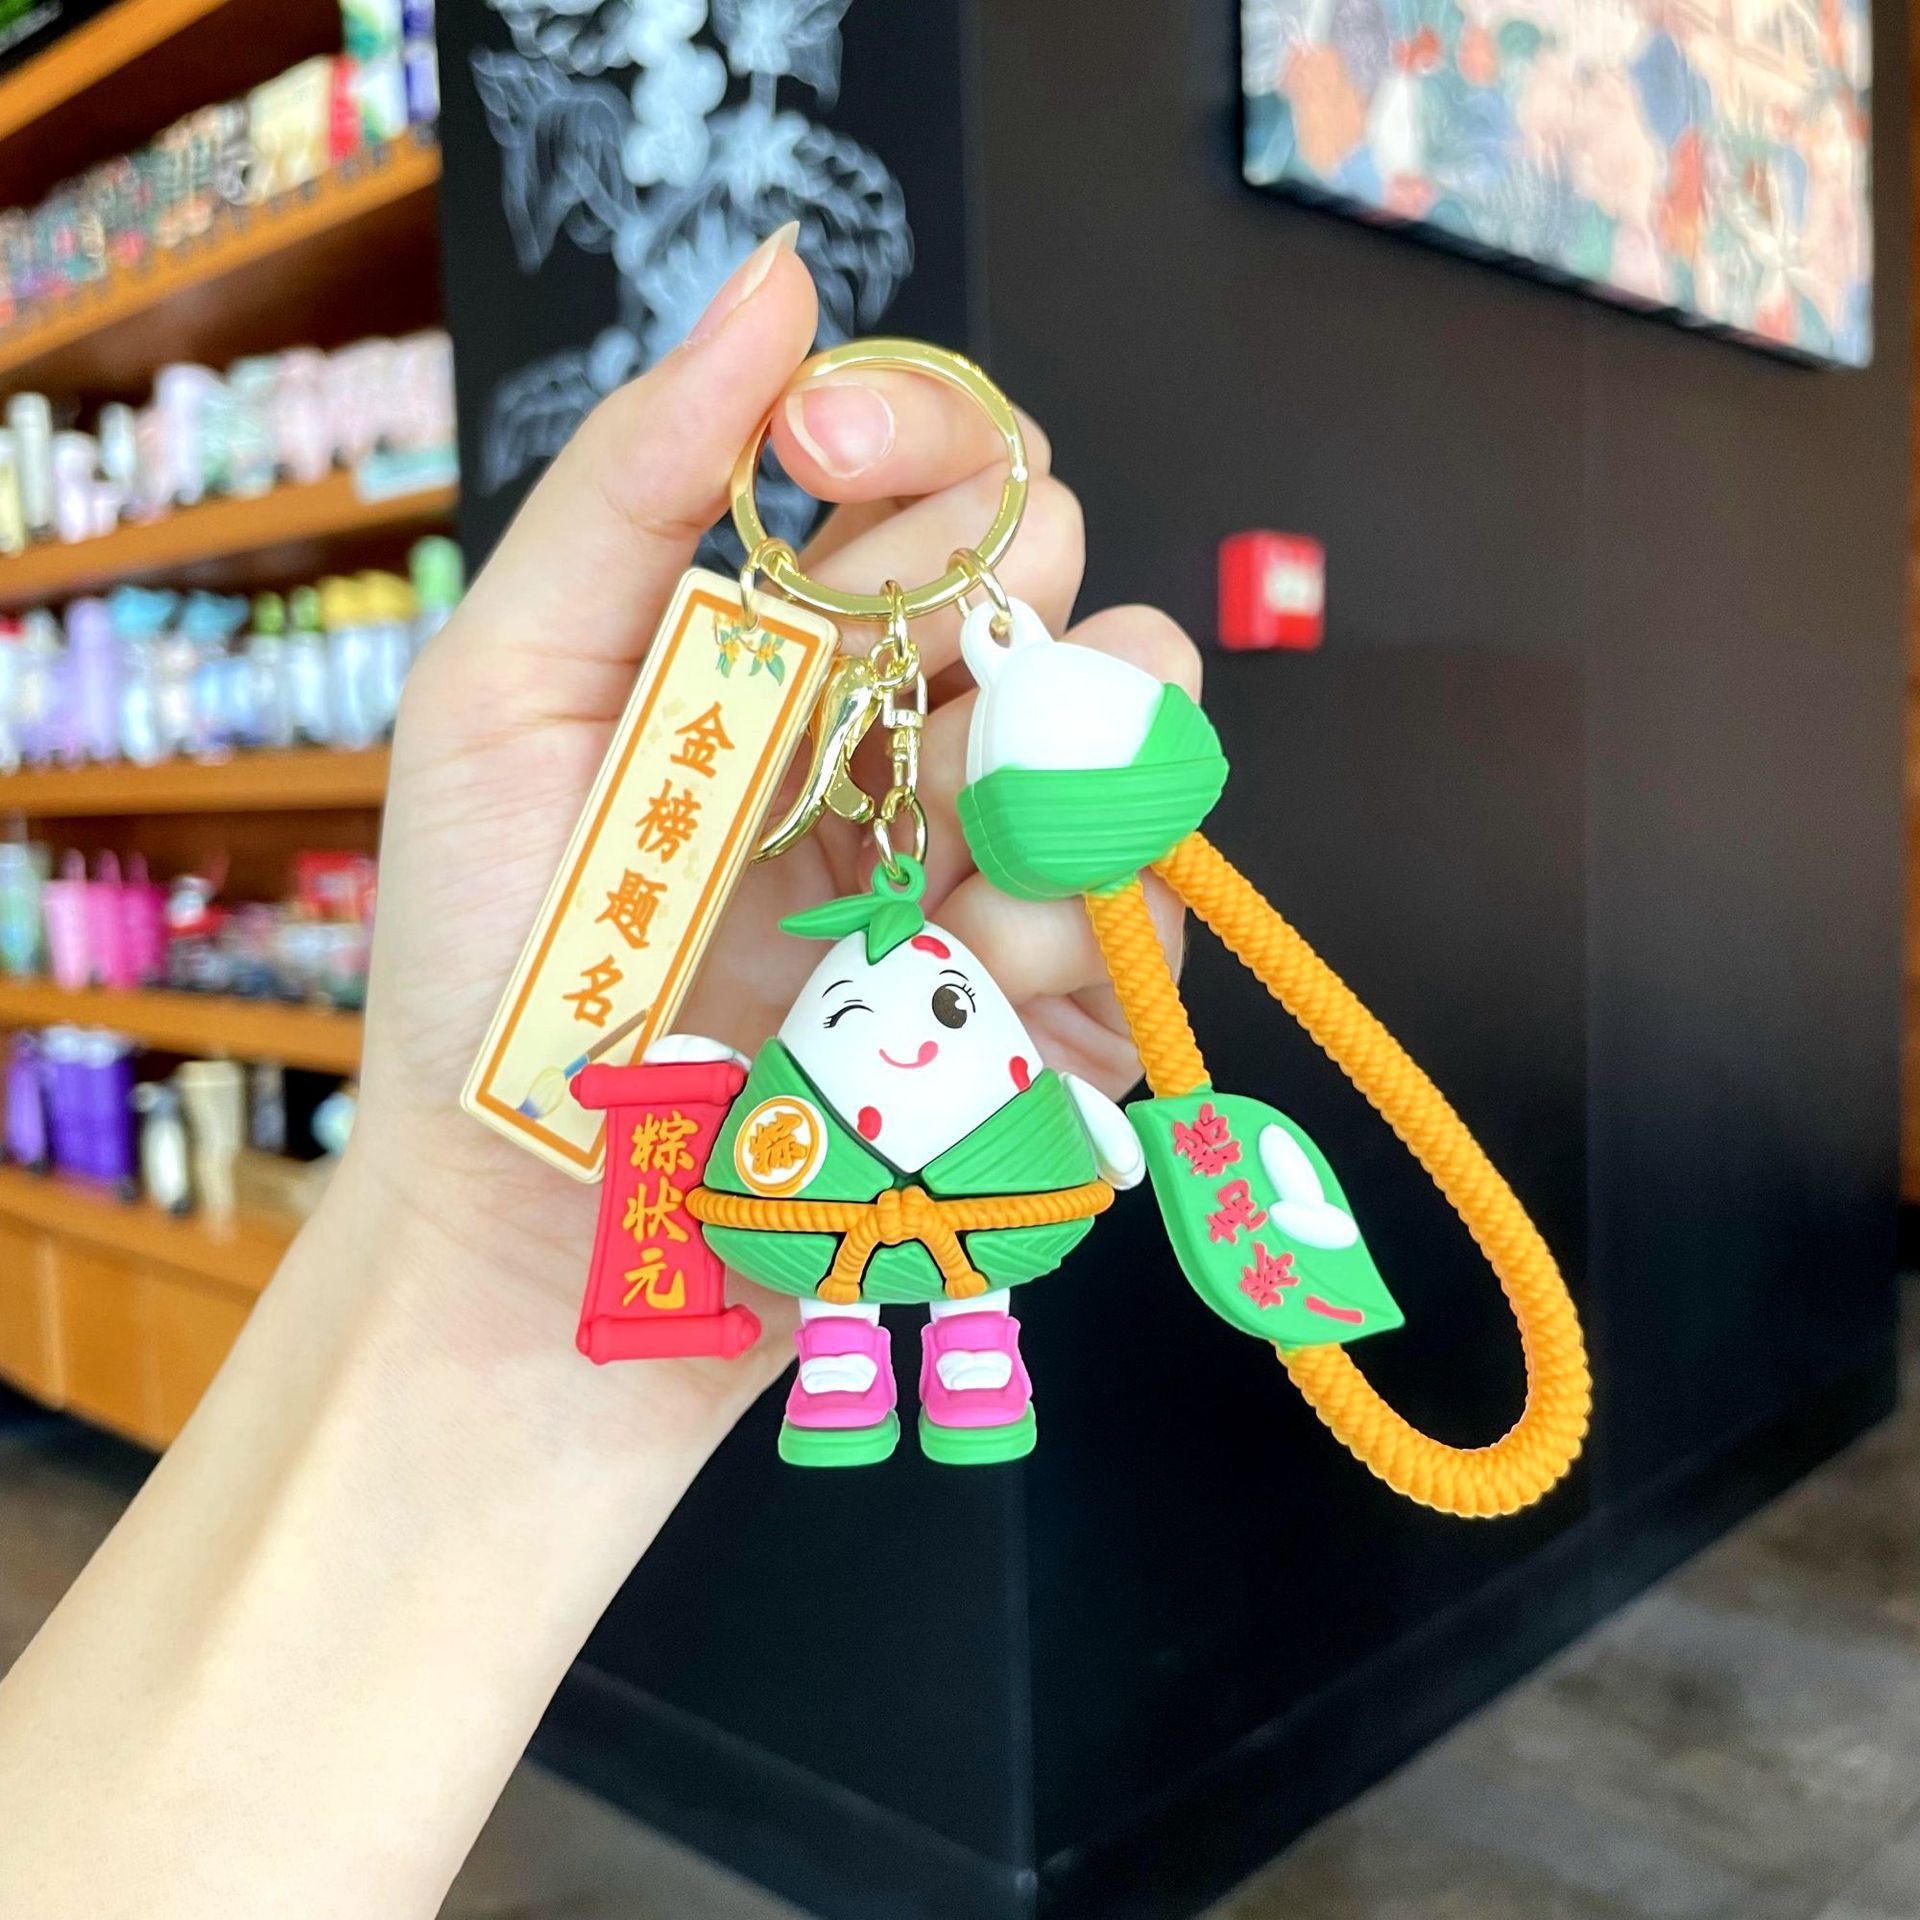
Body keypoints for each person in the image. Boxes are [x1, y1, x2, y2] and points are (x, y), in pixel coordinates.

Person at [0, 228, 1197, 1919]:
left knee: (958, 1264)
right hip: (784, 1198)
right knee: (891, 1282)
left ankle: (943, 1344)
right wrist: (473, 1242)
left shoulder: (891, 1005)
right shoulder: (779, 1067)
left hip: (872, 1194)